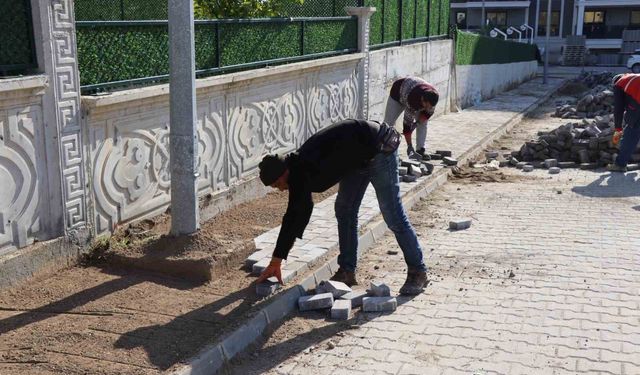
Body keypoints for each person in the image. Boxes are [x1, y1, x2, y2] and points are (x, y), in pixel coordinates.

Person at [256, 119, 428, 295]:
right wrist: (277, 259)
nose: (281, 189)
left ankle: (418, 271)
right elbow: (297, 214)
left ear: (284, 173)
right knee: (345, 210)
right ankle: (347, 271)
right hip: (358, 158)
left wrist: (276, 260)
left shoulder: (303, 167)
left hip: (380, 148)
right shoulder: (297, 170)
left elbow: (295, 214)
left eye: (278, 184)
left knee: (393, 214)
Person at [383, 76, 440, 161]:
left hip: (412, 87)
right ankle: (383, 151)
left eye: (430, 106)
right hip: (398, 93)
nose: (428, 108)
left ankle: (420, 150)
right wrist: (409, 146)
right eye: (427, 106)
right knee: (388, 124)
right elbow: (407, 126)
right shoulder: (413, 100)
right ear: (422, 100)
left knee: (423, 124)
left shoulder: (433, 99)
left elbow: (427, 114)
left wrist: (417, 123)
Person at [608, 73, 640, 172]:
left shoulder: (619, 84)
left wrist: (618, 129)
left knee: (631, 133)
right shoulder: (632, 78)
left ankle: (620, 165)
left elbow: (619, 108)